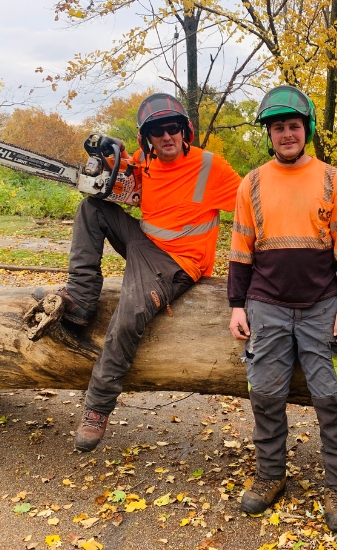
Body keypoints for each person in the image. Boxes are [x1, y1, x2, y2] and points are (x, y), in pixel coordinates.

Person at [57, 92, 241, 452]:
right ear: (147, 139)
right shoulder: (145, 159)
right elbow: (124, 173)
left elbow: (253, 204)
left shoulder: (210, 166)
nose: (167, 137)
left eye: (172, 129)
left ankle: (97, 406)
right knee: (91, 207)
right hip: (143, 243)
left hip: (178, 263)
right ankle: (80, 297)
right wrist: (109, 165)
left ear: (184, 131)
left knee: (128, 318)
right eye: (158, 132)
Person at [227, 85, 337, 533]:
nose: (286, 134)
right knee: (265, 398)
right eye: (278, 127)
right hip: (266, 306)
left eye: (294, 126)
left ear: (307, 131)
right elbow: (240, 248)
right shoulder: (253, 182)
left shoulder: (331, 178)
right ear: (269, 134)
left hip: (323, 306)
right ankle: (270, 476)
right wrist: (236, 305)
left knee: (331, 400)